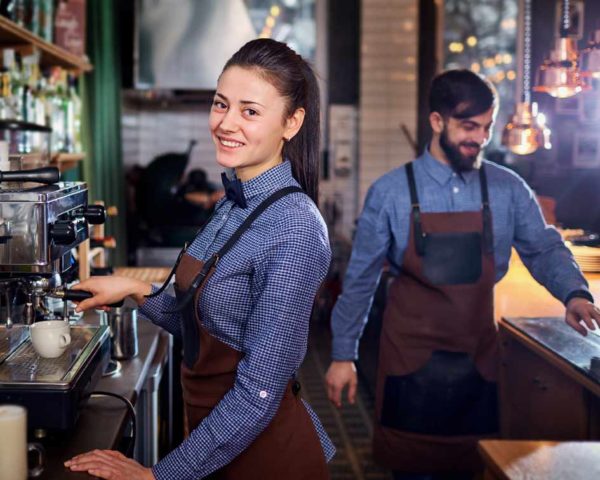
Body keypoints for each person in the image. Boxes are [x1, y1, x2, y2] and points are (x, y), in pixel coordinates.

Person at [65, 38, 334, 480]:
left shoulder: (295, 228)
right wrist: (134, 289)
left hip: (266, 458)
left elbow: (259, 393)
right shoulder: (234, 203)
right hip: (214, 440)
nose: (226, 123)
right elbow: (204, 324)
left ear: (292, 122)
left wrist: (157, 476)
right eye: (220, 104)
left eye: (250, 111)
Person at [325, 69, 600, 480]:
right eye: (468, 126)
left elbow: (543, 247)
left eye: (486, 127)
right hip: (409, 363)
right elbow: (361, 281)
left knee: (474, 467)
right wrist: (343, 354)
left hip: (477, 363)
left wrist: (574, 292)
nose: (480, 138)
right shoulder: (391, 192)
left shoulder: (508, 189)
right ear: (437, 122)